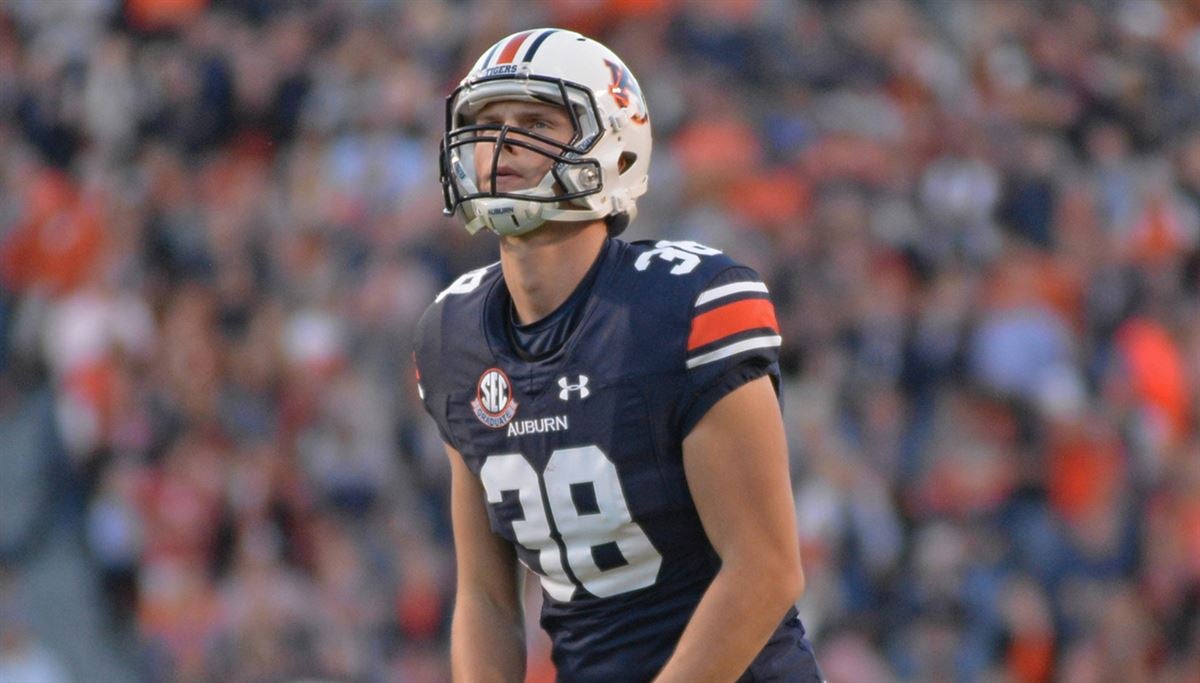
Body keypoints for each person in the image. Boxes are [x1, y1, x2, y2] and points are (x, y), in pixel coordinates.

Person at [414, 28, 824, 682]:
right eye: (486, 123)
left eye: (536, 121)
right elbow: (488, 598)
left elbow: (766, 568)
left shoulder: (681, 305)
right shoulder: (452, 335)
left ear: (613, 145)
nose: (501, 143)